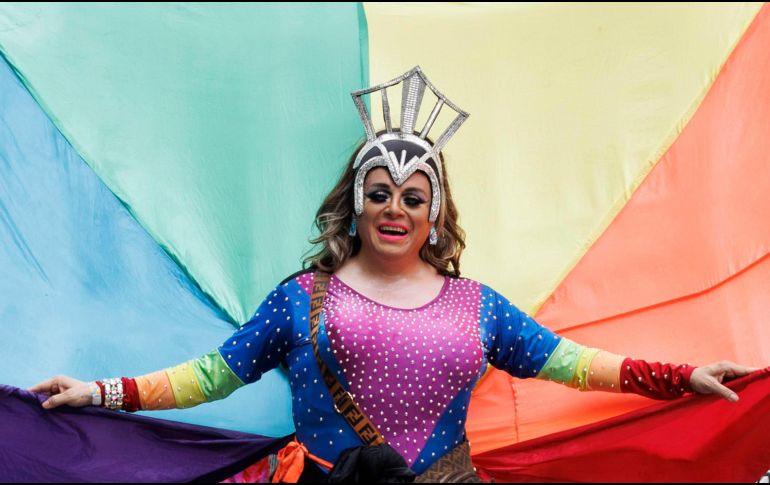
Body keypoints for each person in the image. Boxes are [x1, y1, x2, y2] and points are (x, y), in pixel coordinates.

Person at [30, 66, 757, 482]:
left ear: (434, 214)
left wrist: (678, 376)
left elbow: (571, 363)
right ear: (354, 205)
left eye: (413, 197)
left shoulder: (479, 306)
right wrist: (100, 391)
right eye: (379, 193)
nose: (394, 209)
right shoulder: (299, 298)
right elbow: (213, 376)